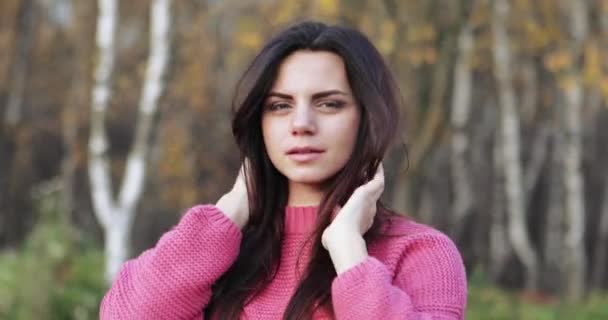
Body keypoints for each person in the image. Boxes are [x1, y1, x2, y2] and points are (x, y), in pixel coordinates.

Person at [99, 21, 467, 319]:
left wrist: (348, 252)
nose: (301, 123)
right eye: (279, 106)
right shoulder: (216, 249)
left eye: (328, 104)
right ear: (259, 121)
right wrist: (229, 211)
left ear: (367, 119)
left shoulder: (420, 253)